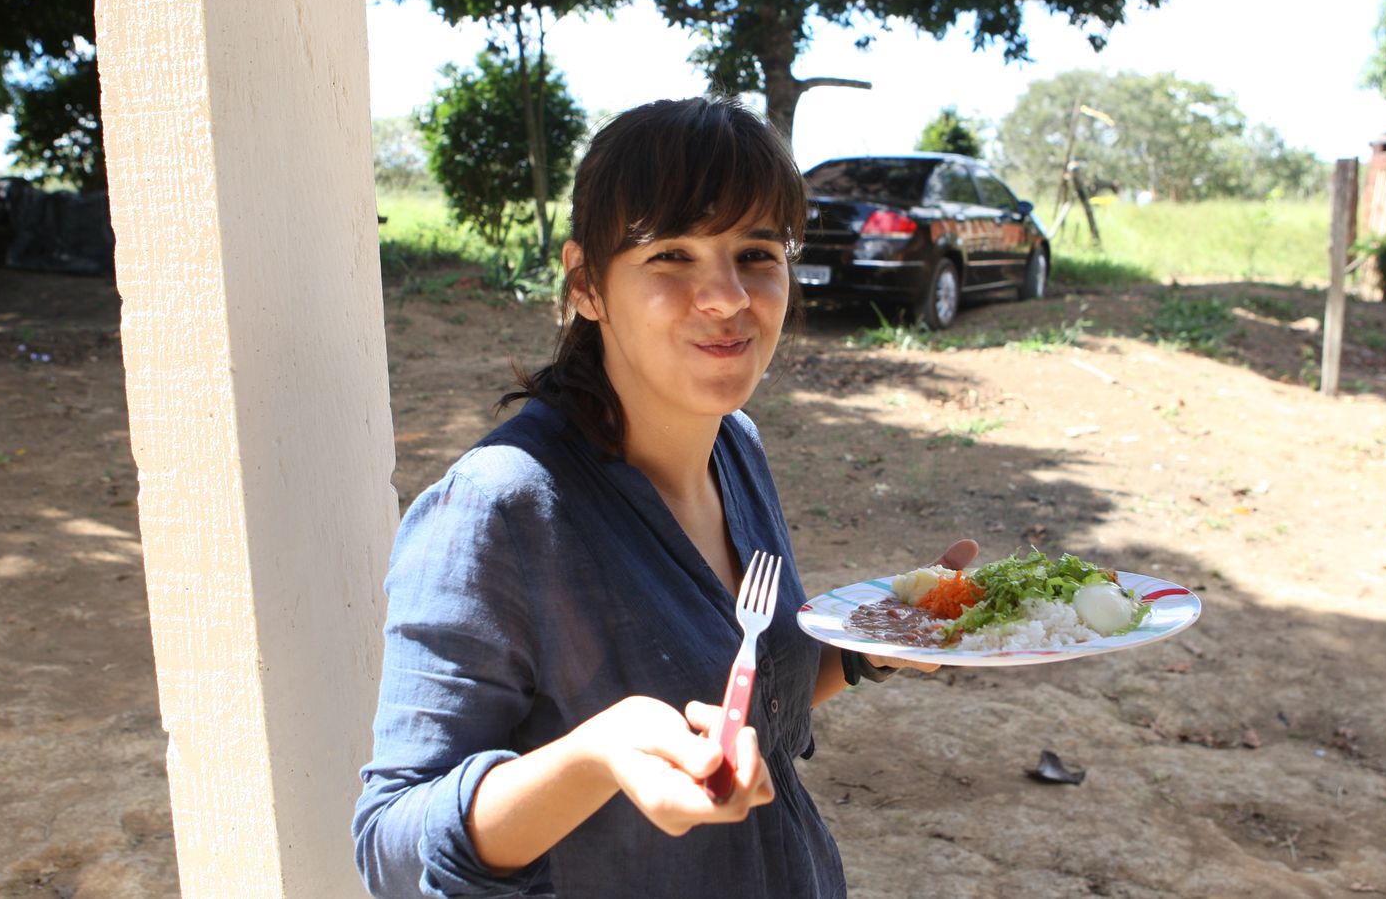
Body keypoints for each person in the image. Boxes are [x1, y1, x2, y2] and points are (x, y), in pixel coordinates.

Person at [353, 96, 977, 899]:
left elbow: (755, 704)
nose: (727, 296)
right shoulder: (499, 510)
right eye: (673, 255)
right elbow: (391, 845)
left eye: (756, 253)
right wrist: (595, 757)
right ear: (586, 284)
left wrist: (872, 641)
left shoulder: (734, 446)